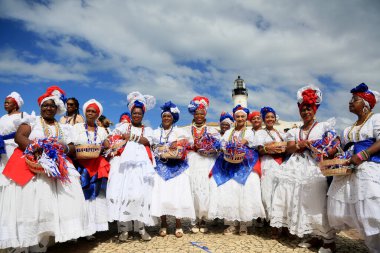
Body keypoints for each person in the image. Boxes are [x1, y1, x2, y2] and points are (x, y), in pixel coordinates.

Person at [1, 86, 92, 252]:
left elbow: (72, 148)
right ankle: (25, 244)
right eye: (45, 105)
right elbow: (20, 137)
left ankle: (40, 247)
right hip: (32, 167)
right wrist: (36, 147)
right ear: (40, 107)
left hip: (58, 170)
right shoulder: (32, 121)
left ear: (57, 109)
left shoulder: (64, 127)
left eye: (51, 106)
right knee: (32, 207)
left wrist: (62, 149)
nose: (48, 108)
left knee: (50, 211)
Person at [270, 85, 335, 252]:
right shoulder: (295, 130)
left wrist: (321, 148)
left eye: (309, 109)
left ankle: (328, 240)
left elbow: (333, 146)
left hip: (314, 169)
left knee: (317, 202)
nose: (306, 112)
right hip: (295, 168)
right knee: (301, 201)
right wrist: (301, 144)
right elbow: (289, 148)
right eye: (303, 109)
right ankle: (314, 236)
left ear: (314, 110)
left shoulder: (323, 127)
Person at [327, 83, 380, 253]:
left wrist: (363, 155)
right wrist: (330, 148)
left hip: (368, 167)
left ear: (365, 105)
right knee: (342, 211)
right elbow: (341, 146)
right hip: (348, 170)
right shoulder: (348, 129)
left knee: (371, 210)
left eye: (355, 99)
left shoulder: (376, 119)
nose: (350, 102)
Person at [107, 91, 157, 241]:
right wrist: (109, 143)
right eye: (134, 113)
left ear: (143, 115)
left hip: (141, 167)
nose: (136, 116)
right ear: (130, 113)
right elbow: (111, 138)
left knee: (140, 195)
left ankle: (141, 228)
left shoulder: (147, 129)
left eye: (139, 114)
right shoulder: (123, 127)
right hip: (122, 166)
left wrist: (132, 137)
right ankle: (124, 229)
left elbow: (147, 141)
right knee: (123, 194)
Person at [208, 105, 265, 236]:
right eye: (237, 116)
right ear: (234, 117)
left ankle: (244, 223)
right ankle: (232, 223)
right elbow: (223, 145)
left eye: (242, 116)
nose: (240, 118)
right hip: (229, 163)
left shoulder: (250, 132)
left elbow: (247, 144)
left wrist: (238, 144)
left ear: (246, 118)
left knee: (245, 189)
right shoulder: (228, 132)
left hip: (245, 164)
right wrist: (226, 147)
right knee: (230, 190)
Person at [151, 101, 195, 238]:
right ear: (161, 117)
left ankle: (178, 224)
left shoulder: (179, 131)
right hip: (160, 167)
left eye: (169, 116)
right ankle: (163, 224)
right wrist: (159, 148)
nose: (166, 118)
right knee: (162, 195)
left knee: (177, 195)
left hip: (177, 167)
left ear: (173, 118)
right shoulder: (155, 132)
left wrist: (180, 143)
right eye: (164, 116)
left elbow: (190, 143)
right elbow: (152, 146)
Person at [72, 99, 110, 241]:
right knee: (80, 196)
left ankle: (89, 230)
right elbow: (72, 144)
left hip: (96, 164)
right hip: (80, 164)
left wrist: (107, 145)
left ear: (97, 114)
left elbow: (106, 145)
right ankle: (77, 230)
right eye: (88, 110)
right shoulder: (76, 128)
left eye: (93, 111)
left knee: (94, 196)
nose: (90, 113)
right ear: (85, 112)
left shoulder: (101, 130)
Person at [184, 96, 220, 233]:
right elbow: (183, 145)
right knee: (192, 187)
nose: (199, 116)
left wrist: (209, 148)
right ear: (193, 114)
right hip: (192, 161)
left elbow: (218, 146)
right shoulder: (186, 130)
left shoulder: (212, 130)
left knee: (205, 189)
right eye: (197, 113)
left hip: (207, 161)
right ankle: (194, 219)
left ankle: (203, 219)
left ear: (205, 114)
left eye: (201, 113)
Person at [255, 107, 286, 237]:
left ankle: (284, 225)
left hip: (280, 165)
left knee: (281, 194)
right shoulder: (260, 134)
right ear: (263, 119)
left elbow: (285, 147)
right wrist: (270, 149)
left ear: (275, 118)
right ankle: (273, 224)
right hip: (267, 164)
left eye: (272, 117)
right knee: (267, 194)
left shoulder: (280, 134)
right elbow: (260, 150)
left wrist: (278, 148)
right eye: (267, 117)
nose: (270, 119)